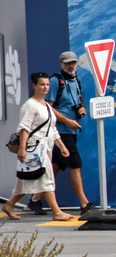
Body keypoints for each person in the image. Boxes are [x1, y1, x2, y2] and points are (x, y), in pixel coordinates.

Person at [28, 51, 94, 215]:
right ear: (61, 64)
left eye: (73, 62)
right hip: (60, 131)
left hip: (71, 131)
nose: (71, 66)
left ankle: (35, 200)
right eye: (67, 63)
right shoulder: (56, 81)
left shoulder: (76, 79)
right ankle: (84, 204)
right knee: (75, 165)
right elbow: (47, 108)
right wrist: (68, 121)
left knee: (56, 166)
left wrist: (82, 108)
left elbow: (77, 99)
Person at [2, 73, 74, 221]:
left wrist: (61, 146)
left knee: (27, 180)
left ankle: (9, 205)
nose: (45, 87)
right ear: (34, 85)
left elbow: (52, 129)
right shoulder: (30, 105)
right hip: (34, 148)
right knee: (46, 178)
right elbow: (24, 128)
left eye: (47, 85)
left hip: (45, 147)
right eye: (42, 84)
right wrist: (22, 149)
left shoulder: (47, 105)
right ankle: (57, 212)